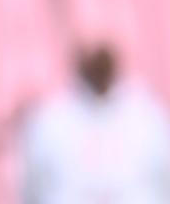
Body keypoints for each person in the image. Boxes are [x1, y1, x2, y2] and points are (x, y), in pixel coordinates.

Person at [21, 44, 170, 204]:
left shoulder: (147, 118)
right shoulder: (50, 120)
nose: (99, 70)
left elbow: (164, 181)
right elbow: (32, 187)